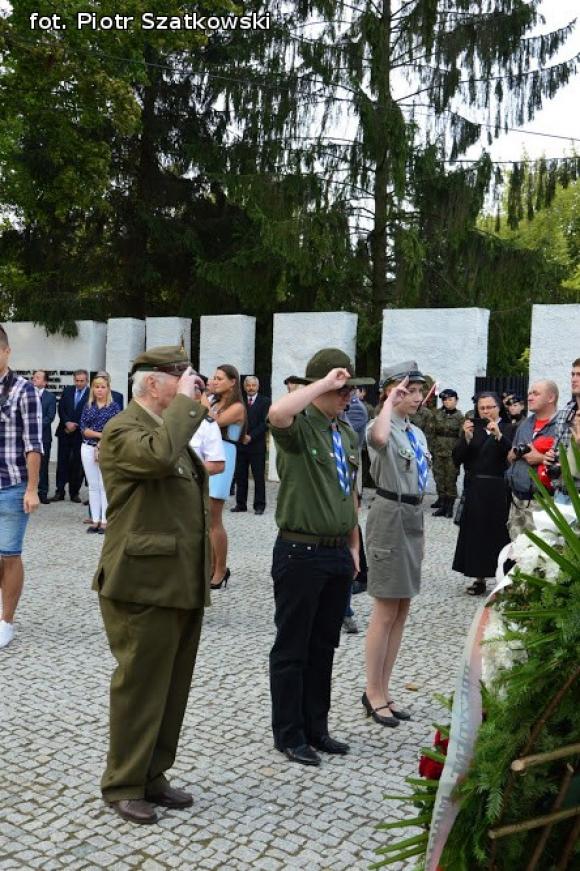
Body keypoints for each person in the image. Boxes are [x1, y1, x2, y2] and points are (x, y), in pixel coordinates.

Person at [93, 345, 209, 825]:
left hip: (176, 580)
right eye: (180, 377)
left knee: (171, 686)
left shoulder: (165, 430)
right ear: (153, 384)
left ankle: (152, 773)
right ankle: (123, 783)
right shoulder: (124, 429)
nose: (191, 385)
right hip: (141, 583)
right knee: (140, 685)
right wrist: (188, 405)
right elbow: (159, 460)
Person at [268, 348, 372, 766]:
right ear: (320, 387)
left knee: (324, 645)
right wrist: (321, 385)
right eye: (341, 390)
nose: (347, 397)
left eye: (349, 391)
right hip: (300, 551)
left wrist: (353, 545)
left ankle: (317, 728)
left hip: (335, 554)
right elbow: (276, 413)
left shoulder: (344, 433)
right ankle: (289, 734)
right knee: (293, 647)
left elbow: (348, 491)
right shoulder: (299, 427)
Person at [363, 362, 429, 727]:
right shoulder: (381, 424)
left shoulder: (416, 434)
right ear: (392, 391)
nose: (417, 397)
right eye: (409, 390)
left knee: (402, 609)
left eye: (419, 391)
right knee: (385, 609)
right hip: (389, 515)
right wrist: (389, 402)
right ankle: (372, 691)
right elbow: (378, 440)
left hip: (413, 517)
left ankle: (385, 689)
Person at [0, 325, 43, 649]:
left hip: (12, 485)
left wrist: (32, 488)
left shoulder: (23, 390)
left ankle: (6, 622)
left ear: (6, 351)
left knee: (9, 554)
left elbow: (34, 444)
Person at [452, 392, 514, 596]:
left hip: (498, 489)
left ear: (499, 408)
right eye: (482, 408)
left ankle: (502, 578)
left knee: (498, 534)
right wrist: (467, 439)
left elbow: (512, 454)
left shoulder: (509, 428)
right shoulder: (474, 429)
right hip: (476, 487)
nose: (486, 411)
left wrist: (499, 436)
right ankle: (478, 577)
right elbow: (457, 458)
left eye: (490, 407)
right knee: (476, 533)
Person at [207, 364, 246, 589]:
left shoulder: (238, 407)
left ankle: (221, 568)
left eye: (219, 378)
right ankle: (211, 565)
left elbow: (211, 423)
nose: (215, 381)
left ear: (233, 382)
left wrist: (203, 399)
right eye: (214, 377)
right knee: (205, 516)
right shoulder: (214, 402)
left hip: (224, 452)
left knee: (214, 516)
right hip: (208, 453)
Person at [506, 380, 558, 538]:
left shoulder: (562, 425)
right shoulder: (525, 424)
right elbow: (510, 457)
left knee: (540, 555)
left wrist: (540, 458)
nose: (530, 397)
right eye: (529, 393)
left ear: (551, 397)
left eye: (535, 393)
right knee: (516, 554)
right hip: (517, 501)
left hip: (543, 503)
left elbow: (569, 466)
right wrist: (514, 453)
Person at [79, 374, 122, 533]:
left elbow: (117, 429)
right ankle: (95, 520)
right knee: (93, 485)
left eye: (103, 387)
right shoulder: (88, 406)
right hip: (88, 448)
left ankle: (105, 520)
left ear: (108, 389)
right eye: (97, 387)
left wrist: (99, 436)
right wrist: (101, 434)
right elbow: (83, 429)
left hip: (108, 448)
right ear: (93, 389)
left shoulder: (114, 407)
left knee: (105, 484)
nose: (99, 390)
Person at [231, 376, 271, 515]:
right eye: (248, 385)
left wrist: (251, 436)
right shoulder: (239, 402)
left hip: (257, 446)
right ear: (244, 386)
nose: (251, 388)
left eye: (254, 385)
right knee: (241, 476)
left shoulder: (265, 401)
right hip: (241, 445)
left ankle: (259, 506)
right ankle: (240, 504)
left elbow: (266, 423)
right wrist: (239, 437)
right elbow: (234, 420)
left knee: (258, 477)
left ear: (258, 387)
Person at [51, 369, 89, 502]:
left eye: (82, 381)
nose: (79, 383)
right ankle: (59, 491)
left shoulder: (91, 394)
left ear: (87, 380)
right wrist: (67, 422)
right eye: (77, 381)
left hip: (80, 434)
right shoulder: (67, 391)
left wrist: (76, 424)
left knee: (77, 463)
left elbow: (90, 411)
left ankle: (74, 493)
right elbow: (61, 408)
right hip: (65, 432)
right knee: (62, 462)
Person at [546, 357, 580, 501]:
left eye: (579, 375)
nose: (574, 379)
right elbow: (557, 446)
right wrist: (549, 457)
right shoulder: (566, 411)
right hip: (561, 491)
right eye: (572, 374)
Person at [430, 389, 464, 518]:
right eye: (445, 400)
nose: (447, 402)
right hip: (438, 451)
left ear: (456, 400)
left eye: (450, 399)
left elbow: (462, 438)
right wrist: (431, 449)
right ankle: (442, 504)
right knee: (439, 478)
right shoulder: (437, 415)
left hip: (452, 454)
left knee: (450, 480)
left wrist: (459, 454)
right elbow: (431, 432)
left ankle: (449, 507)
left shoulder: (460, 417)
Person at [32, 369, 57, 504]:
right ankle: (28, 492)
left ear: (45, 382)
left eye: (38, 377)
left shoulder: (50, 397)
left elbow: (50, 417)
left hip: (44, 437)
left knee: (43, 466)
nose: (34, 379)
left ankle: (42, 493)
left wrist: (33, 426)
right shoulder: (27, 394)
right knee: (27, 465)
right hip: (27, 438)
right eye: (34, 377)